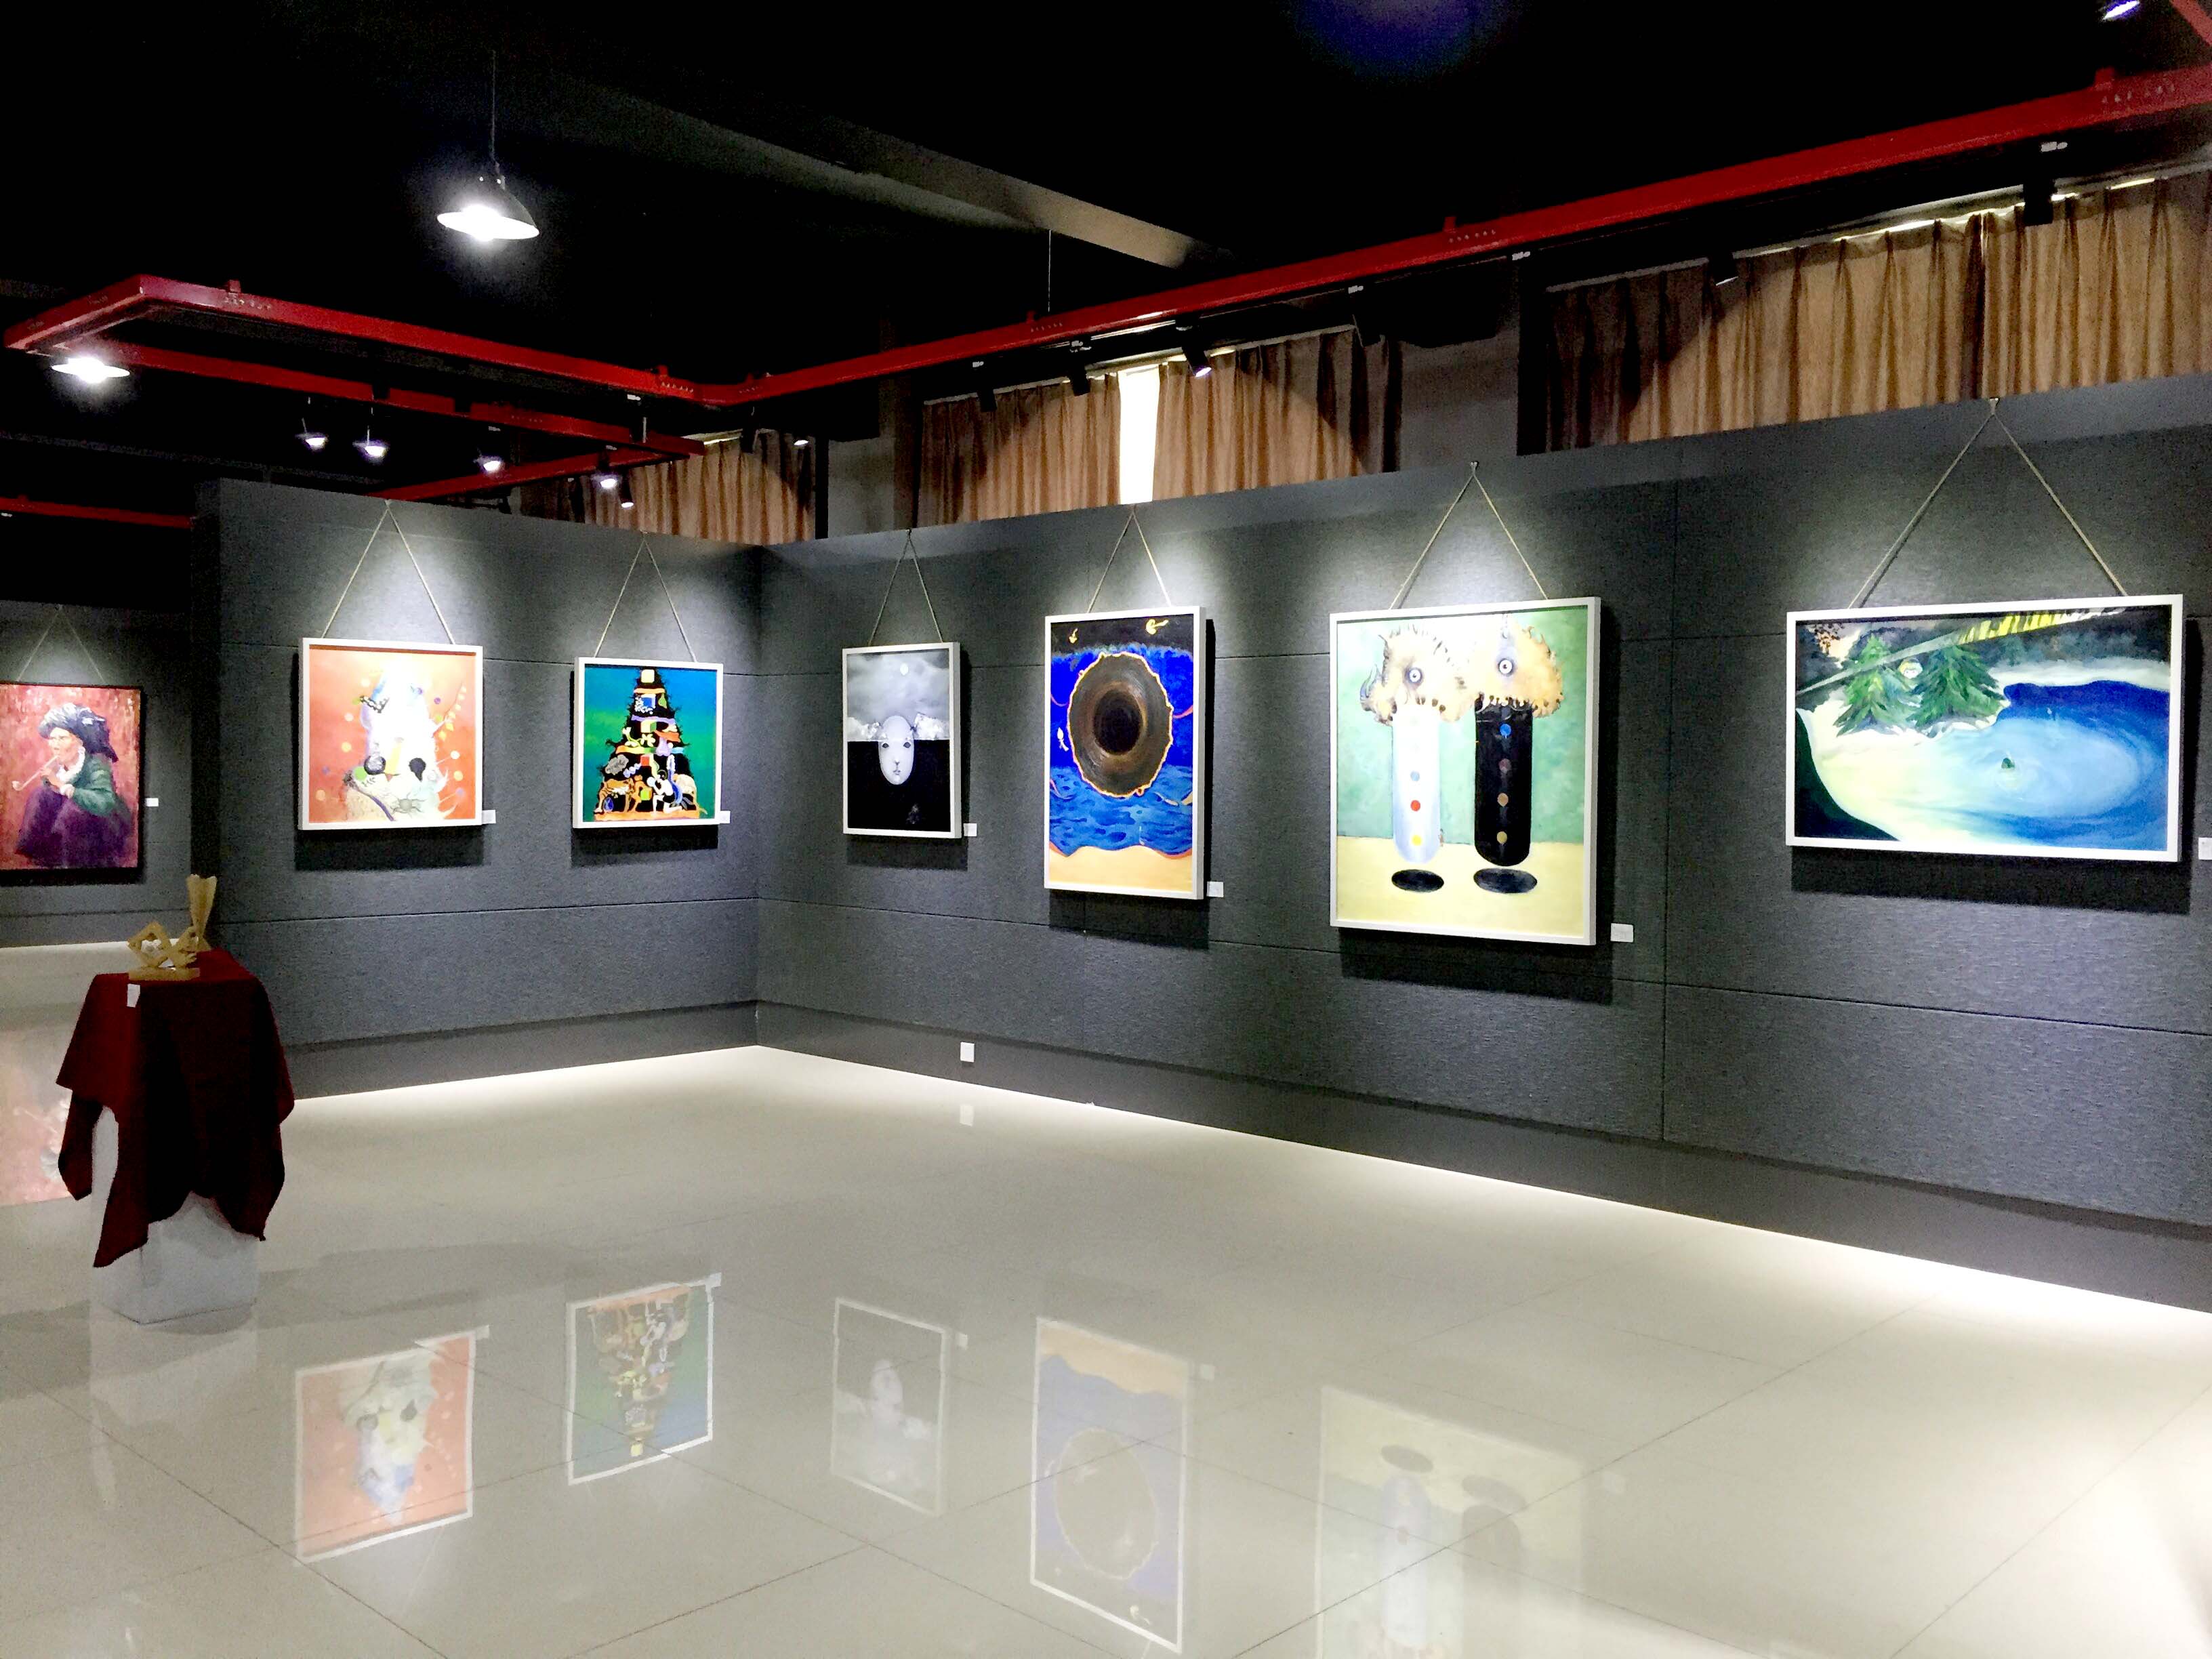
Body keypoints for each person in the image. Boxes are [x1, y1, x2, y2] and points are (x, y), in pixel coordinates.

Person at [14, 702, 133, 867]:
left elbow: (104, 803)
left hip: (102, 824)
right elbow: (53, 798)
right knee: (40, 795)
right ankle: (42, 854)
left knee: (73, 810)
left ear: (79, 742)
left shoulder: (95, 766)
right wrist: (51, 784)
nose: (55, 745)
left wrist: (62, 785)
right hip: (71, 827)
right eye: (53, 739)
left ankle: (71, 863)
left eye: (62, 738)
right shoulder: (59, 766)